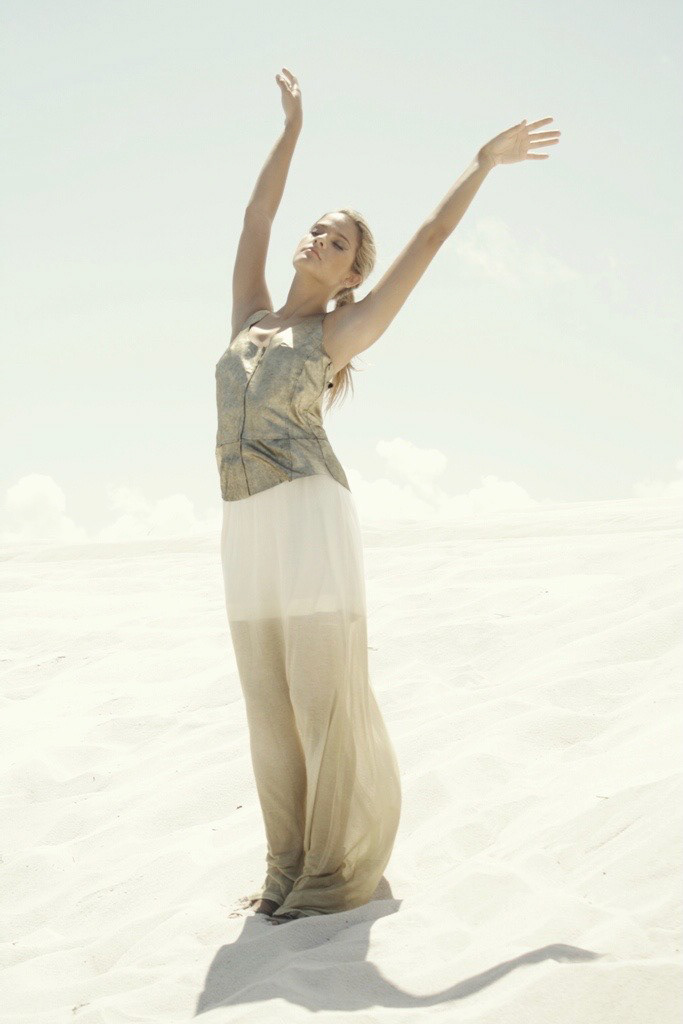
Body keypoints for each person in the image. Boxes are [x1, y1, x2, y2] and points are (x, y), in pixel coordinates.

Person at [216, 68, 561, 924]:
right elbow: (255, 216)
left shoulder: (337, 331)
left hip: (306, 513)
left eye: (336, 242)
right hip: (244, 520)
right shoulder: (251, 317)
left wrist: (480, 163)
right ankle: (284, 866)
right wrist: (292, 129)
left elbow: (431, 239)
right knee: (267, 705)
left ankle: (328, 872)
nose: (316, 239)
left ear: (349, 277)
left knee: (318, 698)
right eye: (316, 229)